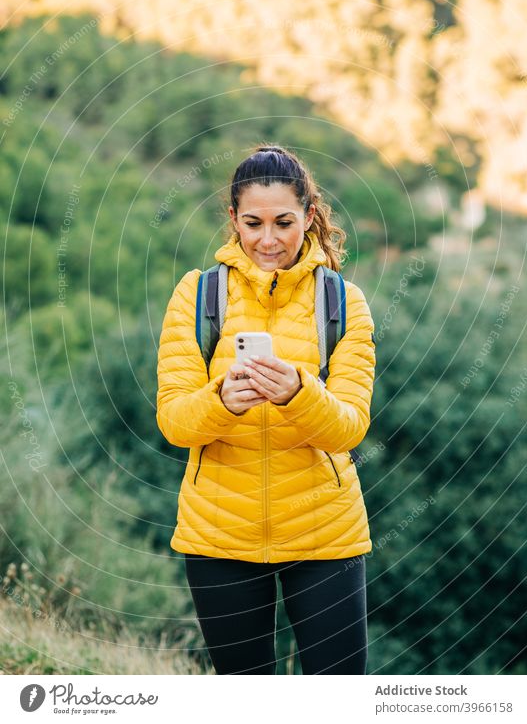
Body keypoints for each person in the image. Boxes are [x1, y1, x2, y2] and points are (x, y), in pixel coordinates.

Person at [156, 144, 376, 674]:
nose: (268, 239)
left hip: (326, 535)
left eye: (284, 222)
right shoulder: (198, 294)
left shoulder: (344, 303)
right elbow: (174, 421)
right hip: (218, 536)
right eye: (253, 222)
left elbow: (349, 427)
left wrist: (300, 395)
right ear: (233, 220)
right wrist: (220, 401)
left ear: (309, 217)